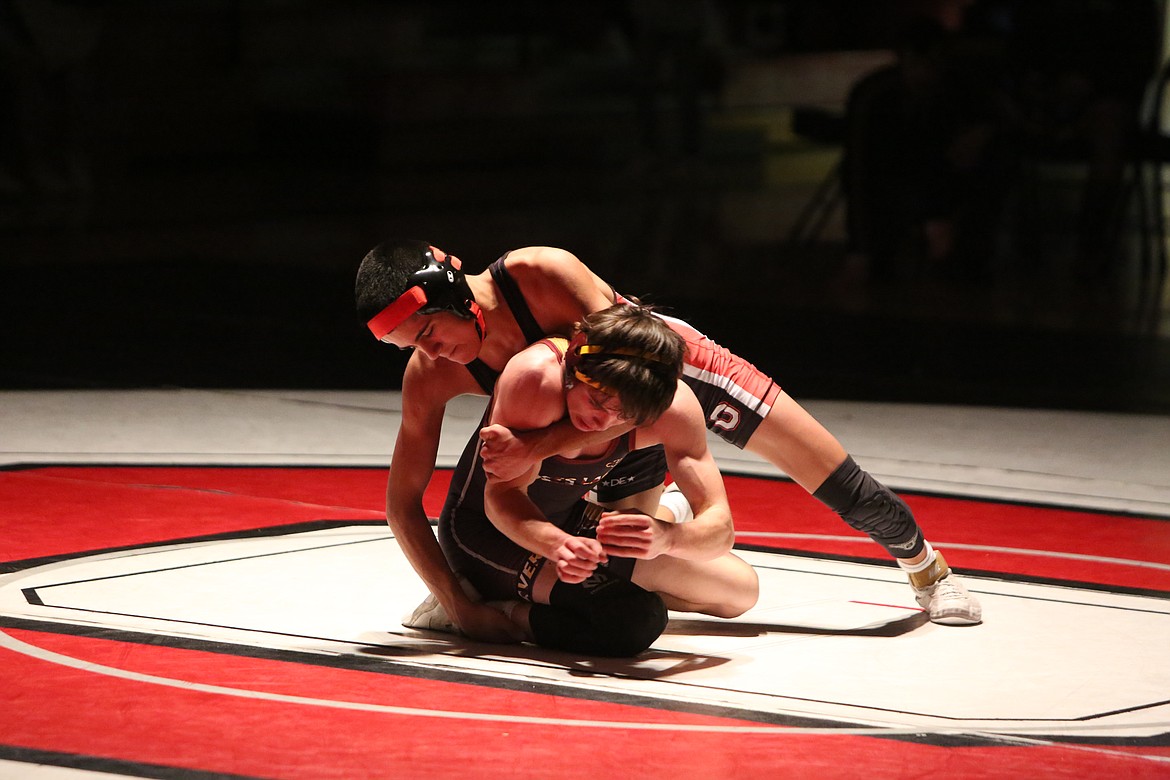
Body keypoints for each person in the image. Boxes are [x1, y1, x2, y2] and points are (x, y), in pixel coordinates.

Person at [354, 240, 980, 643]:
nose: (429, 351)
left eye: (429, 330)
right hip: (590, 408)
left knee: (833, 477)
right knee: (513, 474)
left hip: (668, 372)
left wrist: (542, 446)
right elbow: (403, 501)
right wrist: (453, 599)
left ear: (453, 293)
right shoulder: (434, 373)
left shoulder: (540, 274)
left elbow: (634, 385)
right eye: (408, 345)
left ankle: (925, 565)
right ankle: (501, 572)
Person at [417, 303, 758, 656]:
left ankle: (665, 518)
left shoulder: (671, 405)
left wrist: (666, 538)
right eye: (596, 400)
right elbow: (500, 498)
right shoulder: (535, 379)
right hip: (486, 535)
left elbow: (721, 531)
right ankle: (491, 609)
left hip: (567, 523)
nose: (603, 423)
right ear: (576, 364)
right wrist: (557, 545)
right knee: (632, 620)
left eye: (623, 415)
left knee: (740, 592)